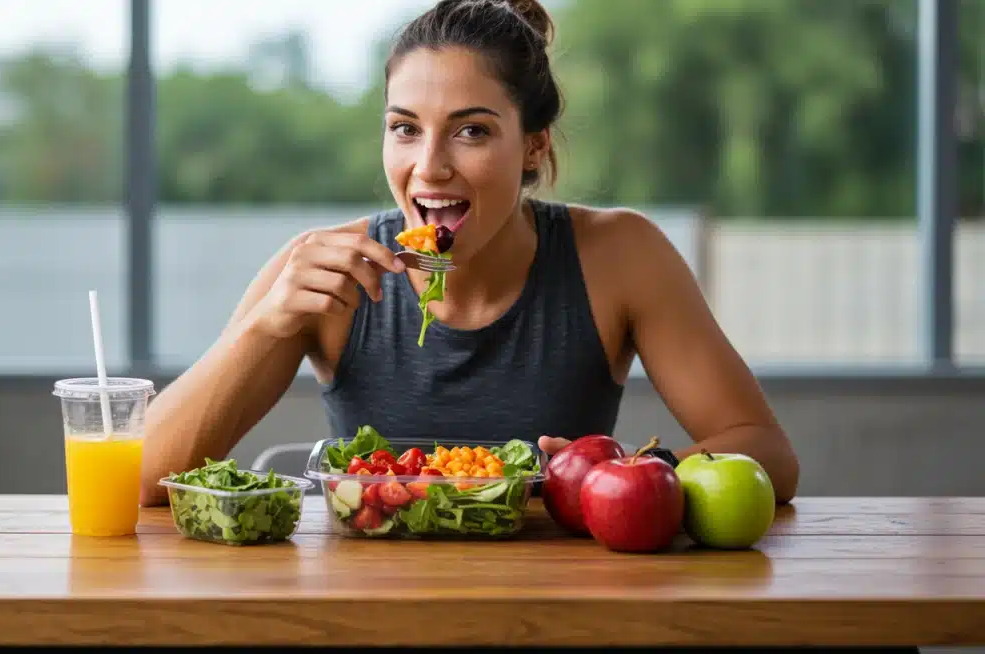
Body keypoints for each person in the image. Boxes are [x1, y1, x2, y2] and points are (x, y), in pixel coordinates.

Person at [139, 0, 800, 510]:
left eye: (471, 131)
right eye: (405, 129)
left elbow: (764, 450)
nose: (430, 167)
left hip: (561, 609)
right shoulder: (319, 270)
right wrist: (267, 323)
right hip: (370, 608)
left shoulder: (621, 256)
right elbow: (142, 476)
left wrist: (618, 477)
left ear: (534, 146)